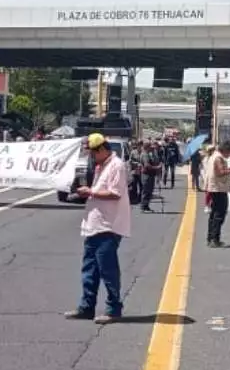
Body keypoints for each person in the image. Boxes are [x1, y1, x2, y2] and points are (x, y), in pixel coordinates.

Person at [66, 133, 131, 324]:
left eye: (93, 153)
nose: (91, 157)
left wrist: (91, 191)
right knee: (89, 270)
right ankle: (87, 307)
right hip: (94, 225)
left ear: (102, 149)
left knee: (108, 270)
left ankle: (113, 309)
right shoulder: (100, 166)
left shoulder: (116, 166)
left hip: (108, 226)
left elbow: (114, 194)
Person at [206, 141, 230, 248]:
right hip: (218, 188)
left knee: (214, 214)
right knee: (219, 214)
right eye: (229, 152)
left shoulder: (214, 156)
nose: (229, 155)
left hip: (215, 188)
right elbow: (220, 172)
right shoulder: (218, 158)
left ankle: (211, 238)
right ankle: (214, 239)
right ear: (224, 150)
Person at [140, 141, 162, 213]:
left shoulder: (149, 154)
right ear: (147, 147)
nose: (152, 148)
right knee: (146, 191)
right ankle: (143, 207)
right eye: (150, 147)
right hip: (146, 175)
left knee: (149, 191)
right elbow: (147, 165)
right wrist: (156, 167)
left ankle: (146, 206)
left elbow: (155, 161)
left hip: (151, 175)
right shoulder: (145, 154)